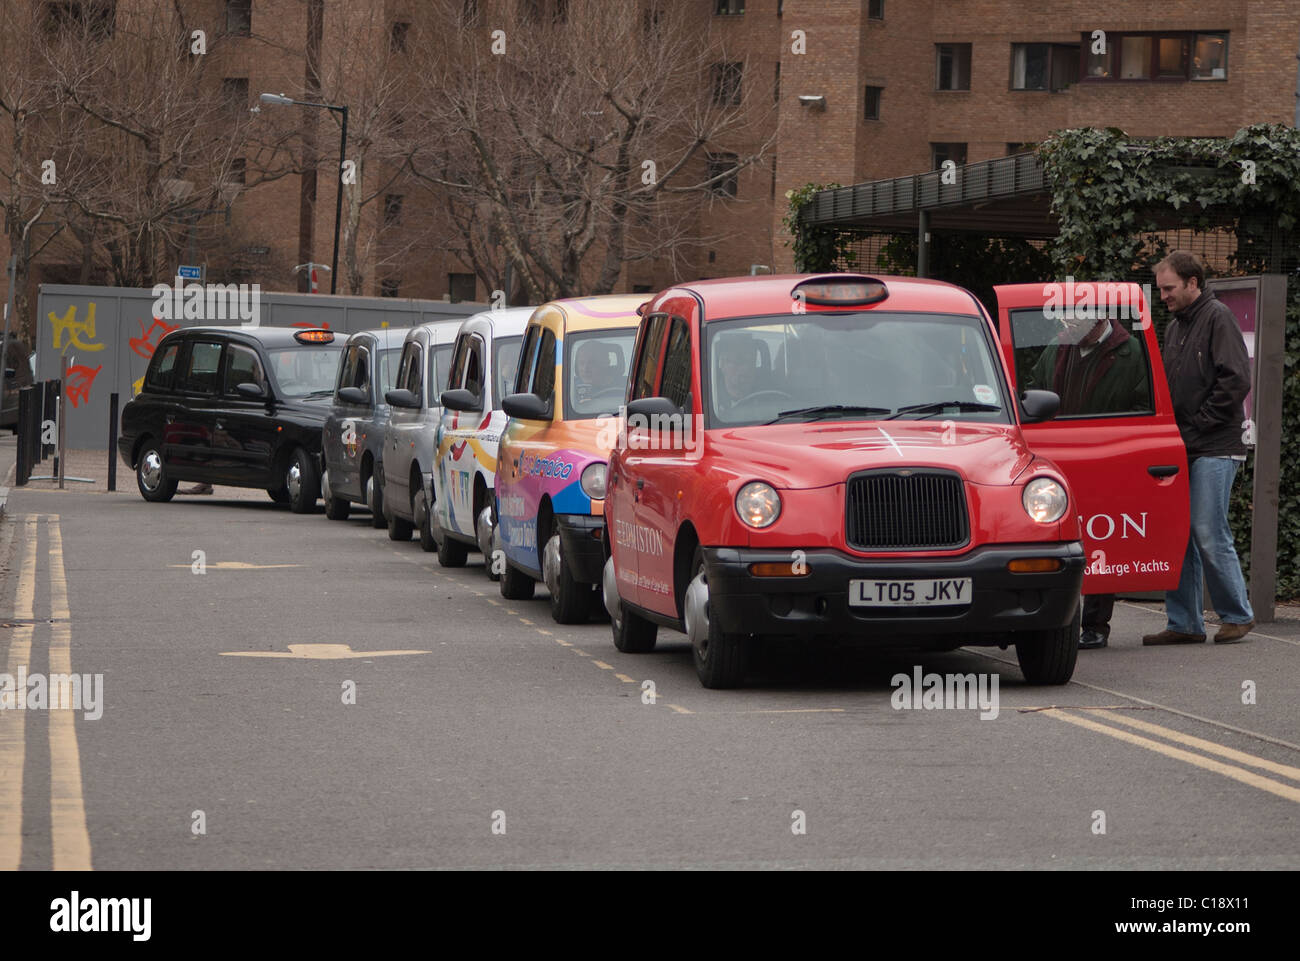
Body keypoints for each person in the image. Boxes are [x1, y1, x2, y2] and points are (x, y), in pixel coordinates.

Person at [1144, 250, 1254, 645]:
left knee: (1207, 529)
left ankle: (1237, 615)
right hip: (1189, 442)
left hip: (1214, 443)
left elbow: (1236, 380)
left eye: (1169, 288)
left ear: (1193, 283)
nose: (1164, 297)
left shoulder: (1217, 318)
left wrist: (1199, 424)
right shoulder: (1177, 325)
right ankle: (1185, 623)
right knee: (1181, 532)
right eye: (1161, 289)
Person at [1028, 306, 1149, 648]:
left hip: (1105, 455)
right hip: (1058, 453)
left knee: (1100, 537)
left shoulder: (1132, 352)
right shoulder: (1059, 346)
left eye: (1076, 323)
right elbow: (1035, 388)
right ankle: (1055, 618)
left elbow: (1143, 407)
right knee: (1055, 533)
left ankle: (1096, 623)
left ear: (1101, 320)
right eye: (1066, 321)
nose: (1068, 329)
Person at [716, 335, 760, 410]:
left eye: (750, 361)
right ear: (723, 364)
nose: (746, 368)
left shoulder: (768, 397)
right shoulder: (710, 401)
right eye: (739, 361)